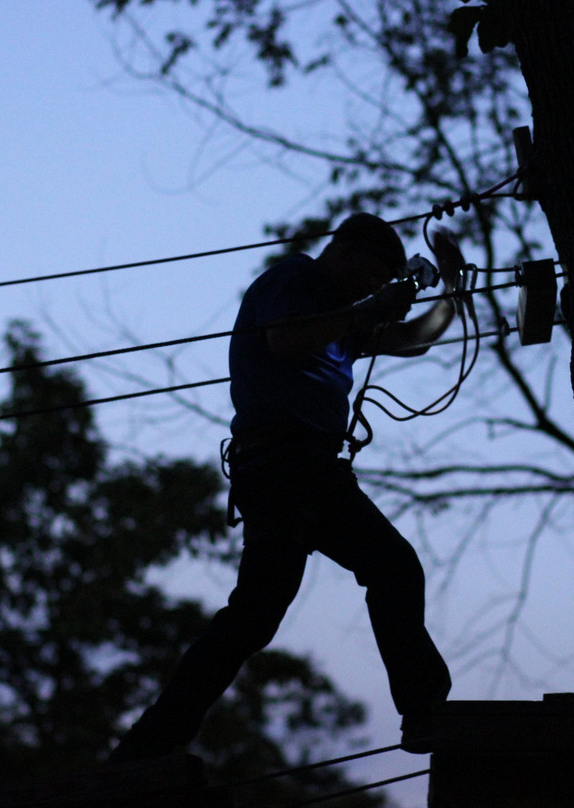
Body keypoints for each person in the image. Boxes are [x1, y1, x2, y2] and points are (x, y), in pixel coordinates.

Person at [108, 213, 466, 764]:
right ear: (345, 253)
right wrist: (365, 310)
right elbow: (284, 338)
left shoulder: (342, 314)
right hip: (285, 466)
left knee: (260, 612)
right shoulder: (295, 280)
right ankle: (424, 710)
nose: (372, 289)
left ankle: (152, 742)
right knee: (382, 570)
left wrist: (453, 292)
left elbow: (413, 338)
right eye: (370, 276)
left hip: (306, 470)